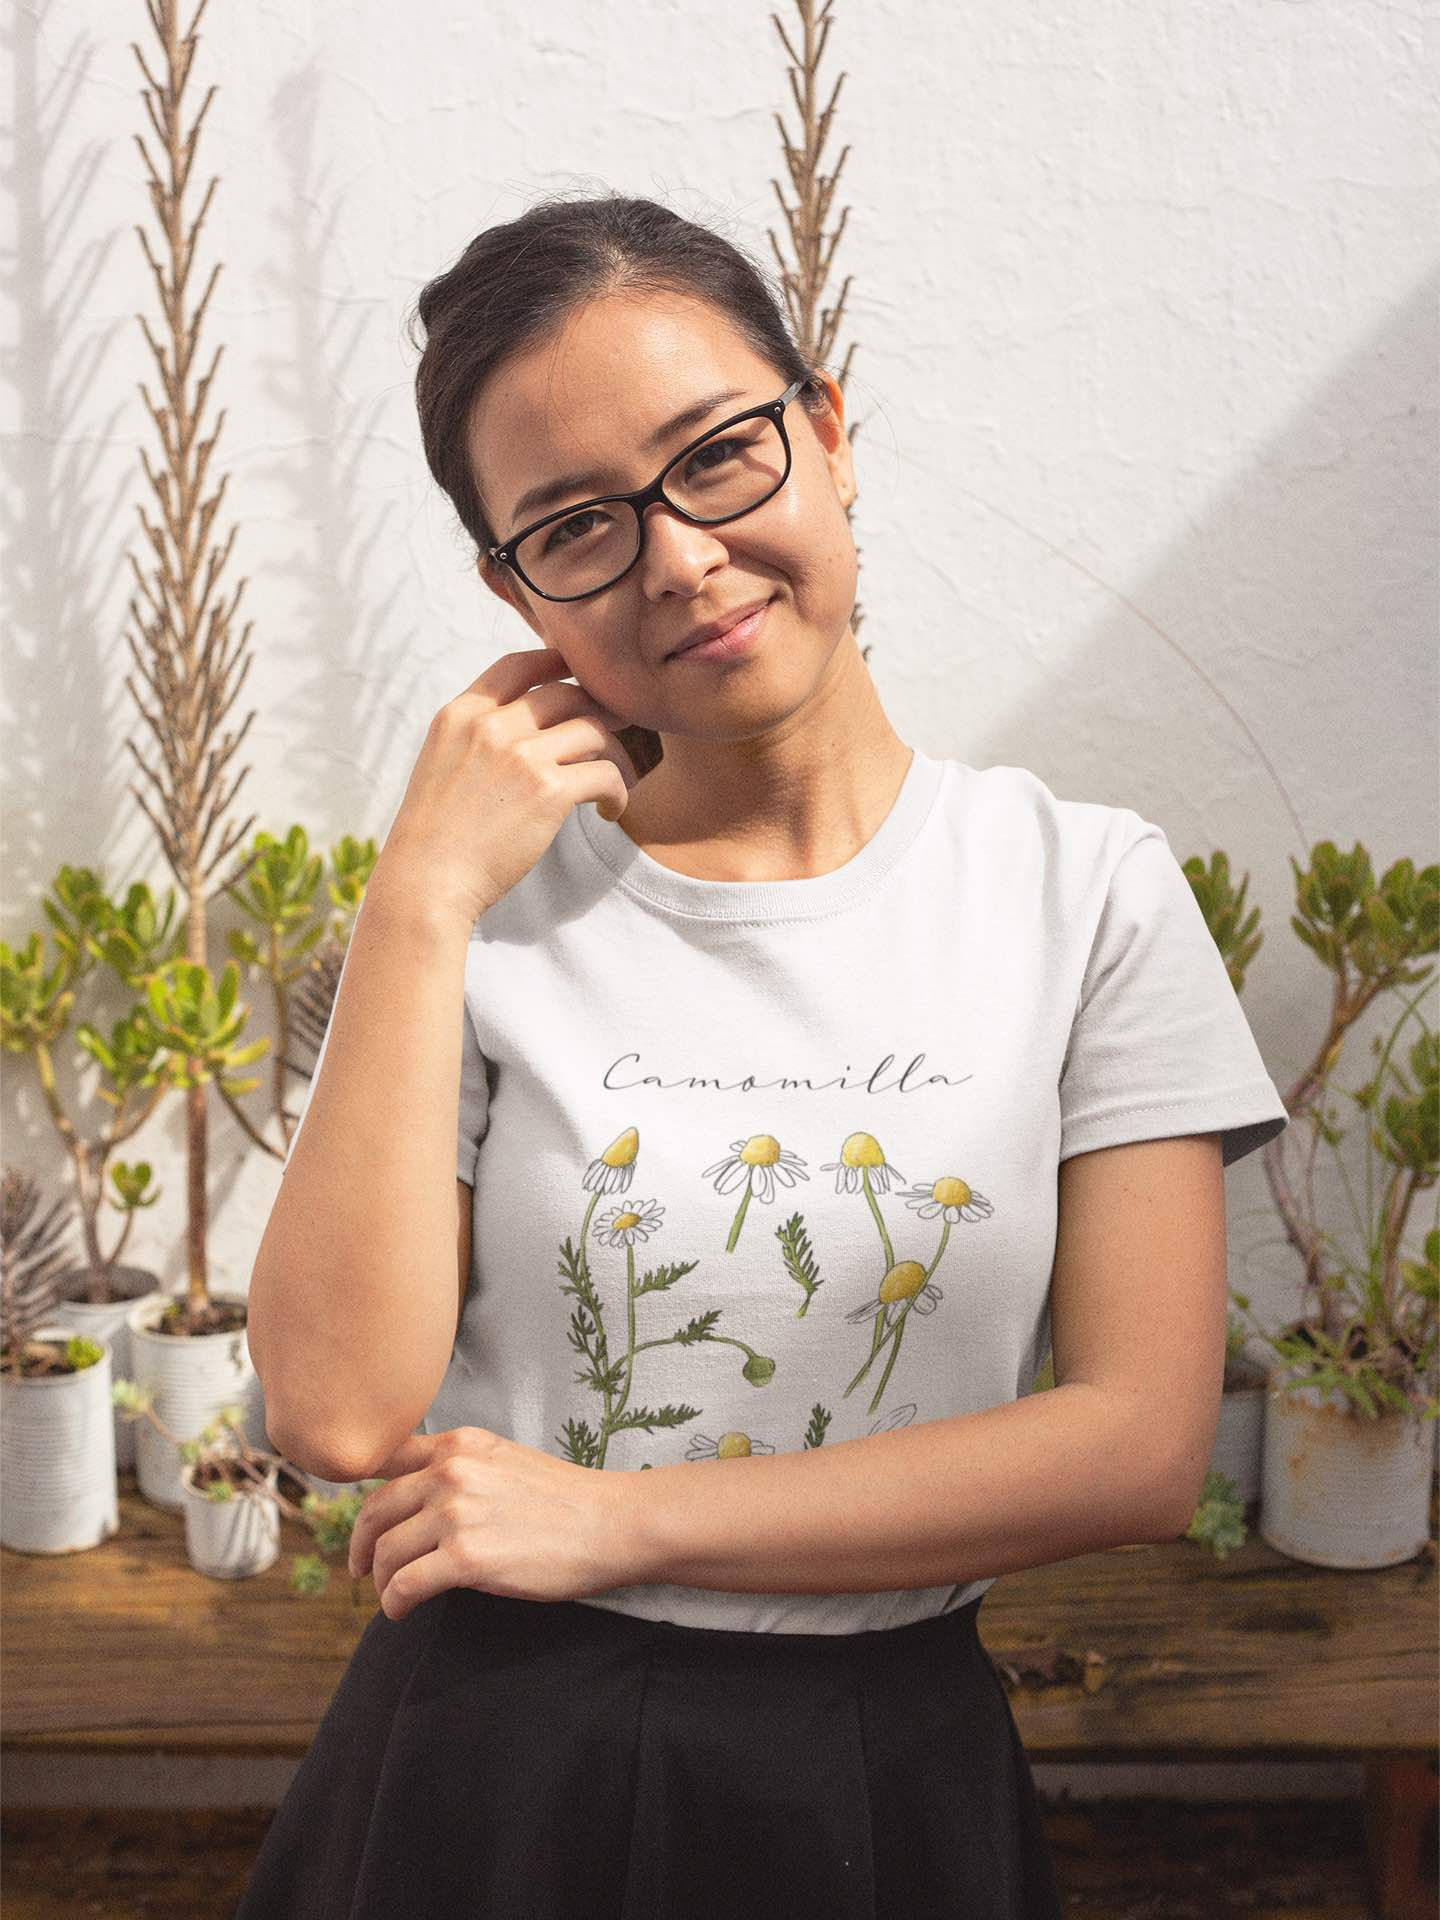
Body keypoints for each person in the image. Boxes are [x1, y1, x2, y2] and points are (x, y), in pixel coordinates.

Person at [235, 191, 1289, 1920]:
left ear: (828, 432)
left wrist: (621, 1520)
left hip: (885, 1769)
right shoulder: (486, 908)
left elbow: (1136, 1444)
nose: (676, 557)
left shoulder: (1083, 891)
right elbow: (339, 1408)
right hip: (492, 1770)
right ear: (517, 591)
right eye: (576, 526)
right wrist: (416, 897)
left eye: (716, 455)